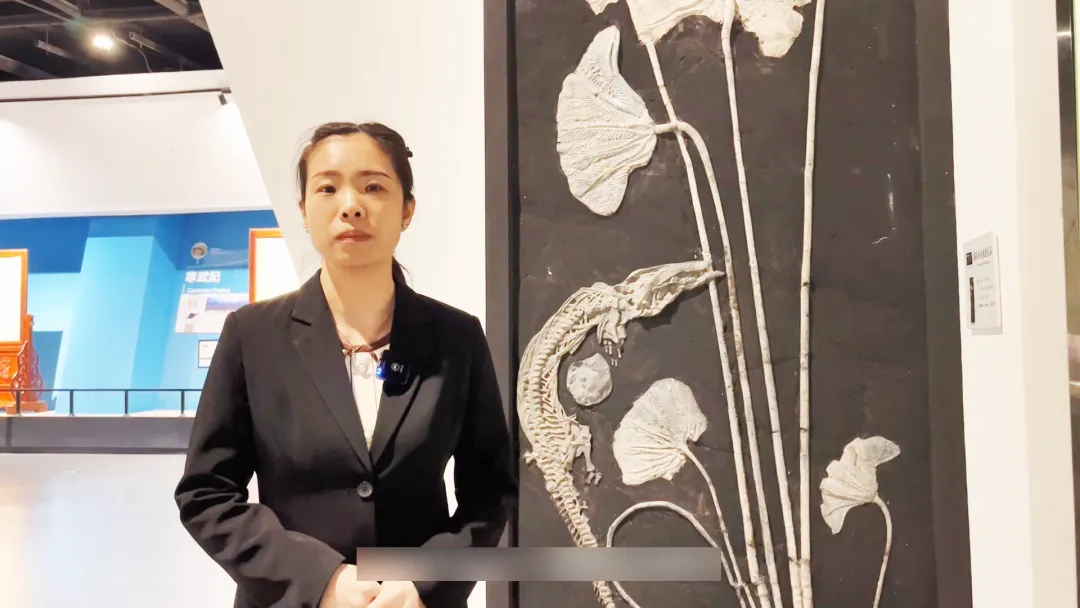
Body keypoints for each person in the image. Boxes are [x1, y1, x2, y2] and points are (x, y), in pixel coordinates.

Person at [174, 121, 517, 608]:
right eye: (328, 188)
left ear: (407, 210)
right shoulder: (252, 336)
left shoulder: (456, 337)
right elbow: (206, 493)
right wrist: (322, 581)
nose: (351, 205)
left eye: (373, 187)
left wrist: (423, 583)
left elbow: (490, 492)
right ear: (304, 210)